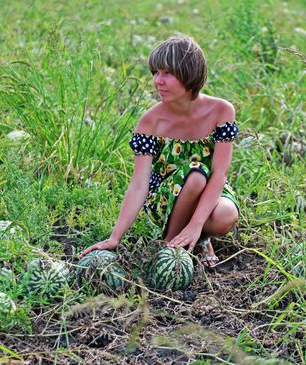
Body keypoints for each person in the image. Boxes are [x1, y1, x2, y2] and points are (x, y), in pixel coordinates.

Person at [79, 35, 239, 268]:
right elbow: (138, 185)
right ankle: (167, 247)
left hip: (210, 188)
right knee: (195, 175)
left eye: (167, 73)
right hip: (165, 197)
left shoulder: (221, 110)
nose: (157, 81)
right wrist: (115, 237)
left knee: (224, 216)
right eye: (155, 72)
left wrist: (197, 224)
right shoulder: (150, 121)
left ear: (189, 74)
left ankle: (200, 236)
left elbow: (219, 173)